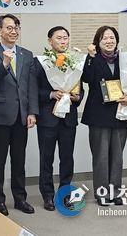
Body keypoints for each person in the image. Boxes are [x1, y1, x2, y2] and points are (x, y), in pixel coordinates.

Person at [0, 14, 38, 216]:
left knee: (19, 160)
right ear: (0, 30)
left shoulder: (26, 54)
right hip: (0, 116)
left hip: (21, 116)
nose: (13, 31)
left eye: (16, 27)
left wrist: (32, 112)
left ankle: (20, 199)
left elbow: (31, 85)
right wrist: (5, 64)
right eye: (9, 28)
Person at [81, 25, 127, 206]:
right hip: (99, 115)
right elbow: (86, 78)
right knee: (101, 157)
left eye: (112, 37)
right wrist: (90, 57)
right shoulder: (93, 59)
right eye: (104, 38)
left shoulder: (125, 60)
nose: (109, 41)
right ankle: (102, 193)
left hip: (120, 113)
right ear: (98, 42)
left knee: (117, 157)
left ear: (117, 41)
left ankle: (116, 192)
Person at [35, 26, 84, 211]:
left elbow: (80, 88)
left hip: (68, 119)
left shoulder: (74, 62)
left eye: (65, 38)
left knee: (67, 159)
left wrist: (77, 97)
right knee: (46, 159)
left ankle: (65, 194)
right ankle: (47, 195)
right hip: (47, 119)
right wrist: (50, 94)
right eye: (59, 38)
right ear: (50, 41)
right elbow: (33, 89)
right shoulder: (41, 62)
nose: (63, 41)